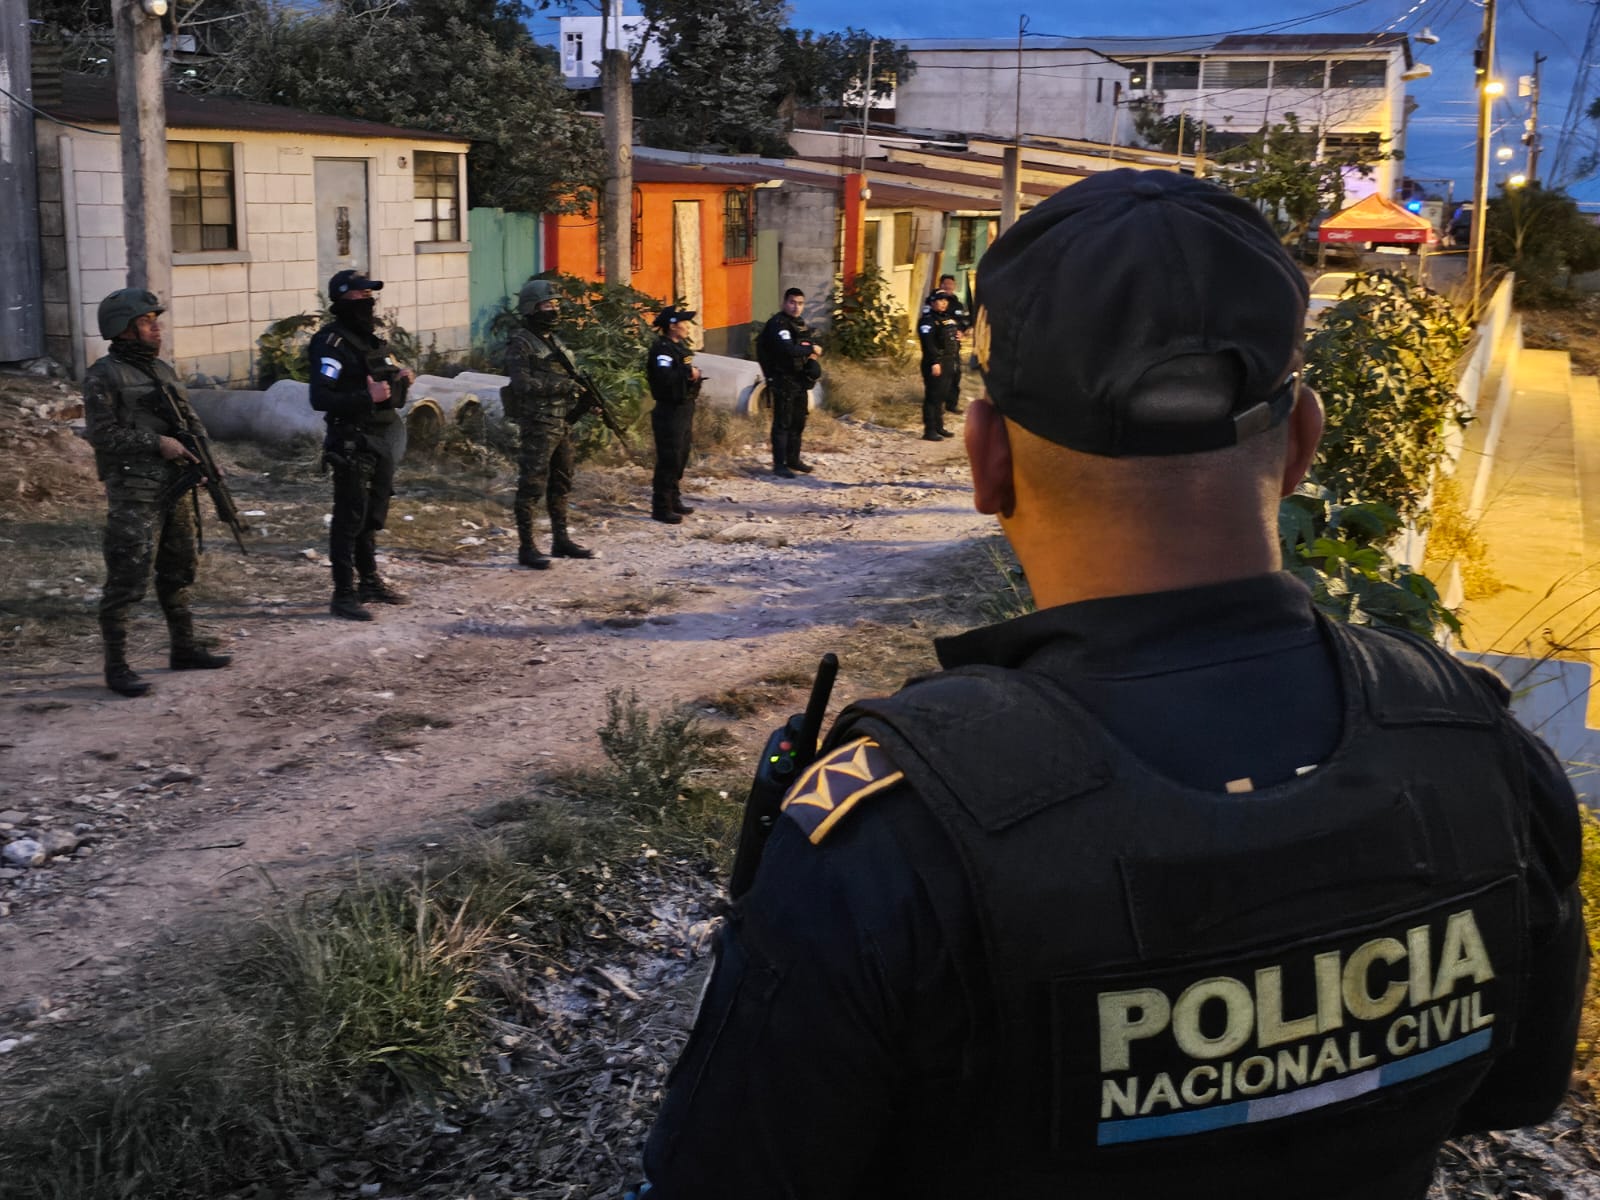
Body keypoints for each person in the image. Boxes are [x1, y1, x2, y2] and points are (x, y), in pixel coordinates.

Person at [638, 171, 1588, 1198]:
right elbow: (1512, 1085)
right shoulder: (1474, 746)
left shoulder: (892, 839)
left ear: (985, 458)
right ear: (1301, 445)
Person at [82, 289, 233, 697]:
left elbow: (190, 420)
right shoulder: (104, 375)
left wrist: (207, 459)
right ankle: (117, 667)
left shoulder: (162, 371)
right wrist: (157, 443)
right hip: (135, 493)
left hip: (176, 486)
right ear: (124, 329)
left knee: (179, 570)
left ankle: (183, 649)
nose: (157, 327)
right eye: (147, 321)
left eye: (156, 320)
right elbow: (101, 434)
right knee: (127, 578)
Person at [307, 270, 413, 620]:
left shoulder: (372, 340)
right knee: (349, 517)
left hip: (380, 439)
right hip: (352, 440)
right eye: (359, 295)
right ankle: (343, 593)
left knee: (371, 516)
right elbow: (320, 397)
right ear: (341, 301)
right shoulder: (331, 343)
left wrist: (400, 380)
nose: (368, 301)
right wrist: (363, 396)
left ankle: (369, 581)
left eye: (370, 295)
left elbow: (388, 390)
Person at [500, 278, 595, 568]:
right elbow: (521, 384)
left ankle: (560, 540)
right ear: (531, 308)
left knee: (562, 482)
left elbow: (569, 379)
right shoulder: (521, 343)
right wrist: (562, 386)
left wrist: (584, 400)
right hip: (539, 423)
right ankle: (527, 548)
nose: (553, 309)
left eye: (555, 304)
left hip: (561, 421)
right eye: (547, 305)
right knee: (531, 485)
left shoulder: (555, 341)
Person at [644, 305, 703, 525]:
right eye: (683, 323)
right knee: (669, 458)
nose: (687, 327)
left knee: (680, 456)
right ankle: (661, 506)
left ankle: (674, 499)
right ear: (672, 326)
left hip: (684, 408)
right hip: (669, 410)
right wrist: (688, 373)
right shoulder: (662, 350)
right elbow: (664, 377)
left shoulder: (679, 349)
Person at [756, 287, 823, 478]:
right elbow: (788, 349)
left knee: (798, 422)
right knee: (782, 423)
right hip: (783, 379)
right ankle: (779, 464)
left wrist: (812, 357)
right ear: (784, 303)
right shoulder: (779, 324)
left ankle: (793, 459)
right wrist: (812, 348)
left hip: (799, 380)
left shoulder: (799, 324)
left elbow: (805, 348)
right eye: (792, 302)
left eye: (800, 303)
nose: (796, 307)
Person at [920, 273, 971, 415]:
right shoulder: (931, 302)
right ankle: (935, 413)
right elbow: (928, 327)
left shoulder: (957, 304)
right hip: (938, 348)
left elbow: (963, 322)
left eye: (951, 284)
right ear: (940, 284)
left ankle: (951, 404)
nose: (948, 286)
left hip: (953, 347)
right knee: (936, 383)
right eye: (945, 284)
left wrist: (961, 331)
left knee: (955, 375)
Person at [916, 290, 962, 441]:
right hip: (935, 362)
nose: (943, 303)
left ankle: (939, 427)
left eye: (945, 300)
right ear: (931, 302)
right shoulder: (927, 321)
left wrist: (958, 337)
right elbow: (928, 345)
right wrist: (935, 362)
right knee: (933, 397)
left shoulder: (946, 318)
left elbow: (950, 337)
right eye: (940, 300)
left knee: (942, 396)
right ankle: (929, 430)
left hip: (949, 361)